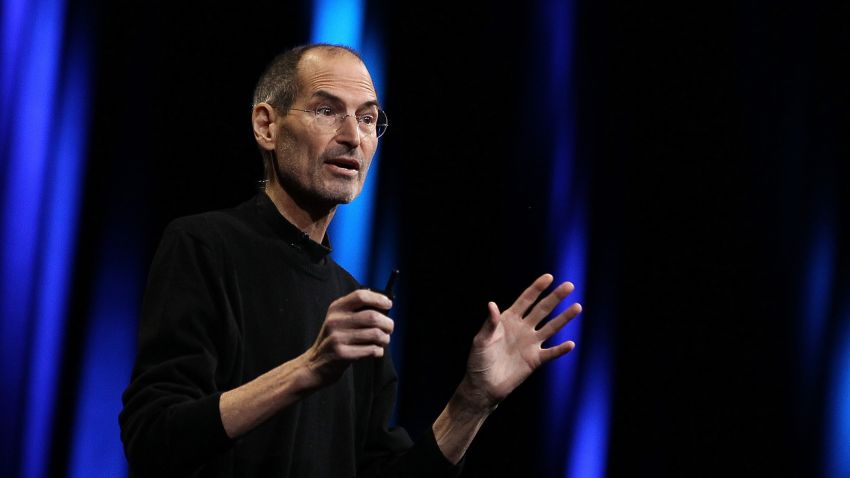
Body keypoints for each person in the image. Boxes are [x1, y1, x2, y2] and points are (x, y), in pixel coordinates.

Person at [119, 43, 583, 477]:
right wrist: (309, 368)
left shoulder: (353, 302)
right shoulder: (204, 245)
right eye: (326, 111)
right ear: (267, 126)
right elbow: (153, 438)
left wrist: (473, 401)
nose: (352, 137)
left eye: (367, 119)